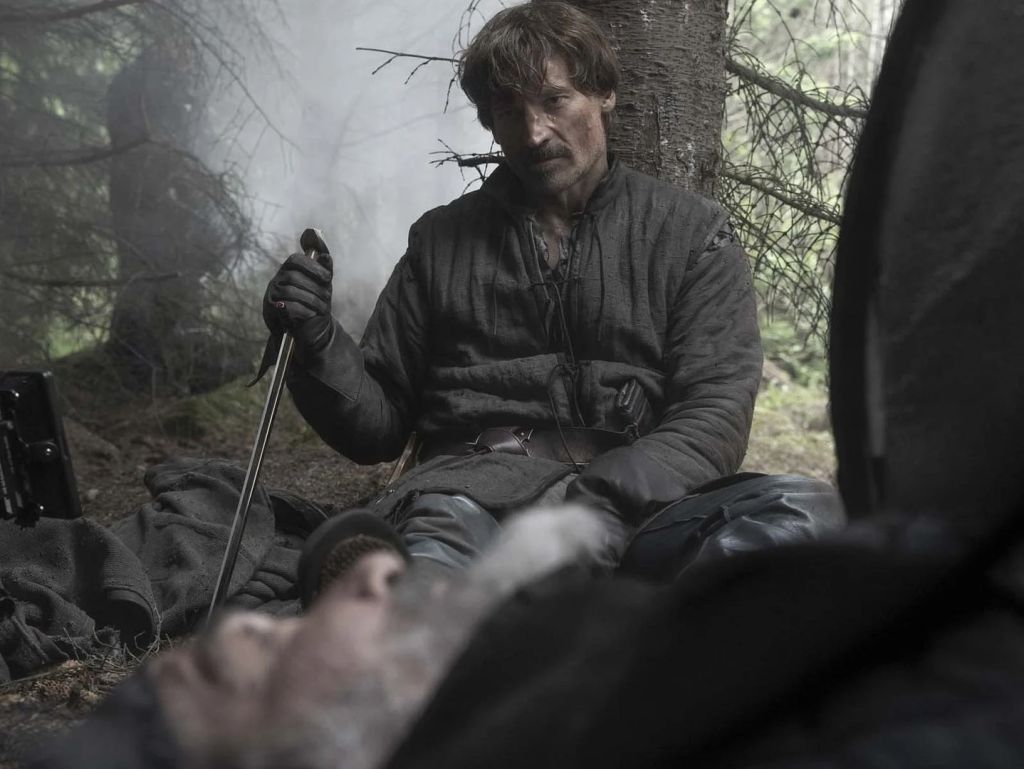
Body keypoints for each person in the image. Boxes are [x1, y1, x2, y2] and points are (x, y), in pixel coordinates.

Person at [261, 2, 840, 595]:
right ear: (489, 123)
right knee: (428, 584)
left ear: (604, 93)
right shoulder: (439, 241)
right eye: (509, 111)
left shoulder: (691, 233)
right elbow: (376, 428)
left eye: (555, 100)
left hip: (636, 506)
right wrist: (318, 341)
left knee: (804, 511)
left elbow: (714, 411)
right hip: (470, 495)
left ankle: (656, 627)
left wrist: (601, 499)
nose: (535, 132)